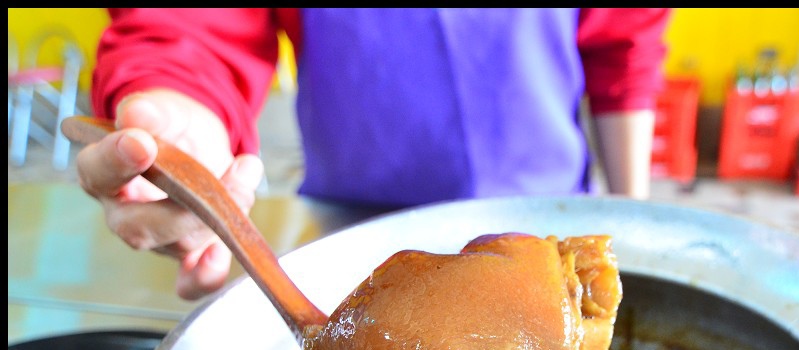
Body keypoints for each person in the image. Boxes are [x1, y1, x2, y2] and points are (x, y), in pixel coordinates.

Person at [74, 8, 671, 300]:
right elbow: (195, 24)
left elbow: (625, 40)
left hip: (553, 220)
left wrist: (635, 216)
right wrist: (177, 111)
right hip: (356, 238)